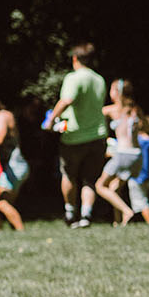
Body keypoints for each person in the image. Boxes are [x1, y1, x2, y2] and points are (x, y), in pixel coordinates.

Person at [46, 42, 109, 228]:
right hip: (98, 136)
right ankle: (86, 216)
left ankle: (70, 213)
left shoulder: (73, 78)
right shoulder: (99, 79)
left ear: (74, 58)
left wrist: (51, 120)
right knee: (90, 179)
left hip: (73, 137)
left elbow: (67, 100)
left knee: (69, 175)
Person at [96, 79, 142, 224]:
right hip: (137, 155)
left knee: (100, 186)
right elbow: (146, 126)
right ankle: (118, 223)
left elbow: (96, 114)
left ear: (116, 92)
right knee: (114, 188)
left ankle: (127, 211)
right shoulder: (135, 109)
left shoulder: (113, 110)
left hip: (123, 154)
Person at [0, 96, 28, 231]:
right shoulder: (0, 117)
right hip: (13, 166)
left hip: (15, 165)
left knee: (2, 202)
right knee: (3, 201)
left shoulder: (3, 115)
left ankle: (20, 230)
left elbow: (0, 138)